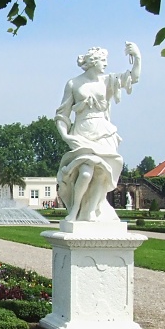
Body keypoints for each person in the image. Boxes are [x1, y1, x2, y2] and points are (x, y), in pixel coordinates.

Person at [55, 41, 142, 222]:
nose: (106, 64)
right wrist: (65, 135)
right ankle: (75, 210)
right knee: (86, 173)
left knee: (102, 174)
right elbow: (62, 115)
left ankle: (90, 210)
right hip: (82, 132)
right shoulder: (73, 83)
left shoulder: (107, 80)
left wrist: (137, 57)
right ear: (93, 61)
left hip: (104, 131)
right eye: (103, 60)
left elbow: (133, 77)